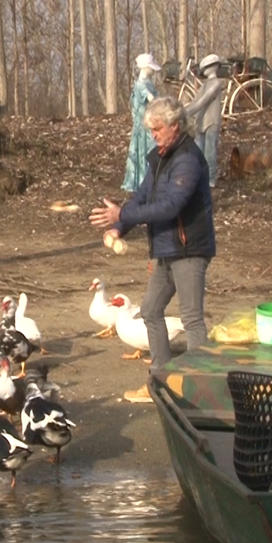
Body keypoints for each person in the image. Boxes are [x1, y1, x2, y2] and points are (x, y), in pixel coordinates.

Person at [89, 97, 216, 403]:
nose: (153, 134)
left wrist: (123, 215)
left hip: (189, 249)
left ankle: (199, 390)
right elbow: (143, 197)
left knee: (192, 318)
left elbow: (171, 206)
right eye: (151, 129)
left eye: (157, 128)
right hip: (166, 248)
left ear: (175, 125)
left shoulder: (187, 159)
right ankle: (161, 381)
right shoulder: (160, 157)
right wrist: (120, 226)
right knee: (150, 311)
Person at [183, 53, 225, 187]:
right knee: (198, 151)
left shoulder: (216, 83)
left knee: (210, 152)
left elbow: (202, 101)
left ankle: (211, 178)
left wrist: (186, 112)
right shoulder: (205, 84)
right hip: (200, 121)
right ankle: (199, 176)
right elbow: (196, 100)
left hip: (211, 121)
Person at [121, 53, 161, 192]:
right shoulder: (141, 85)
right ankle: (144, 181)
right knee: (149, 152)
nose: (153, 70)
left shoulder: (148, 83)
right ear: (145, 68)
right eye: (151, 68)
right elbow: (153, 101)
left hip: (150, 123)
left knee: (151, 152)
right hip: (145, 126)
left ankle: (149, 180)